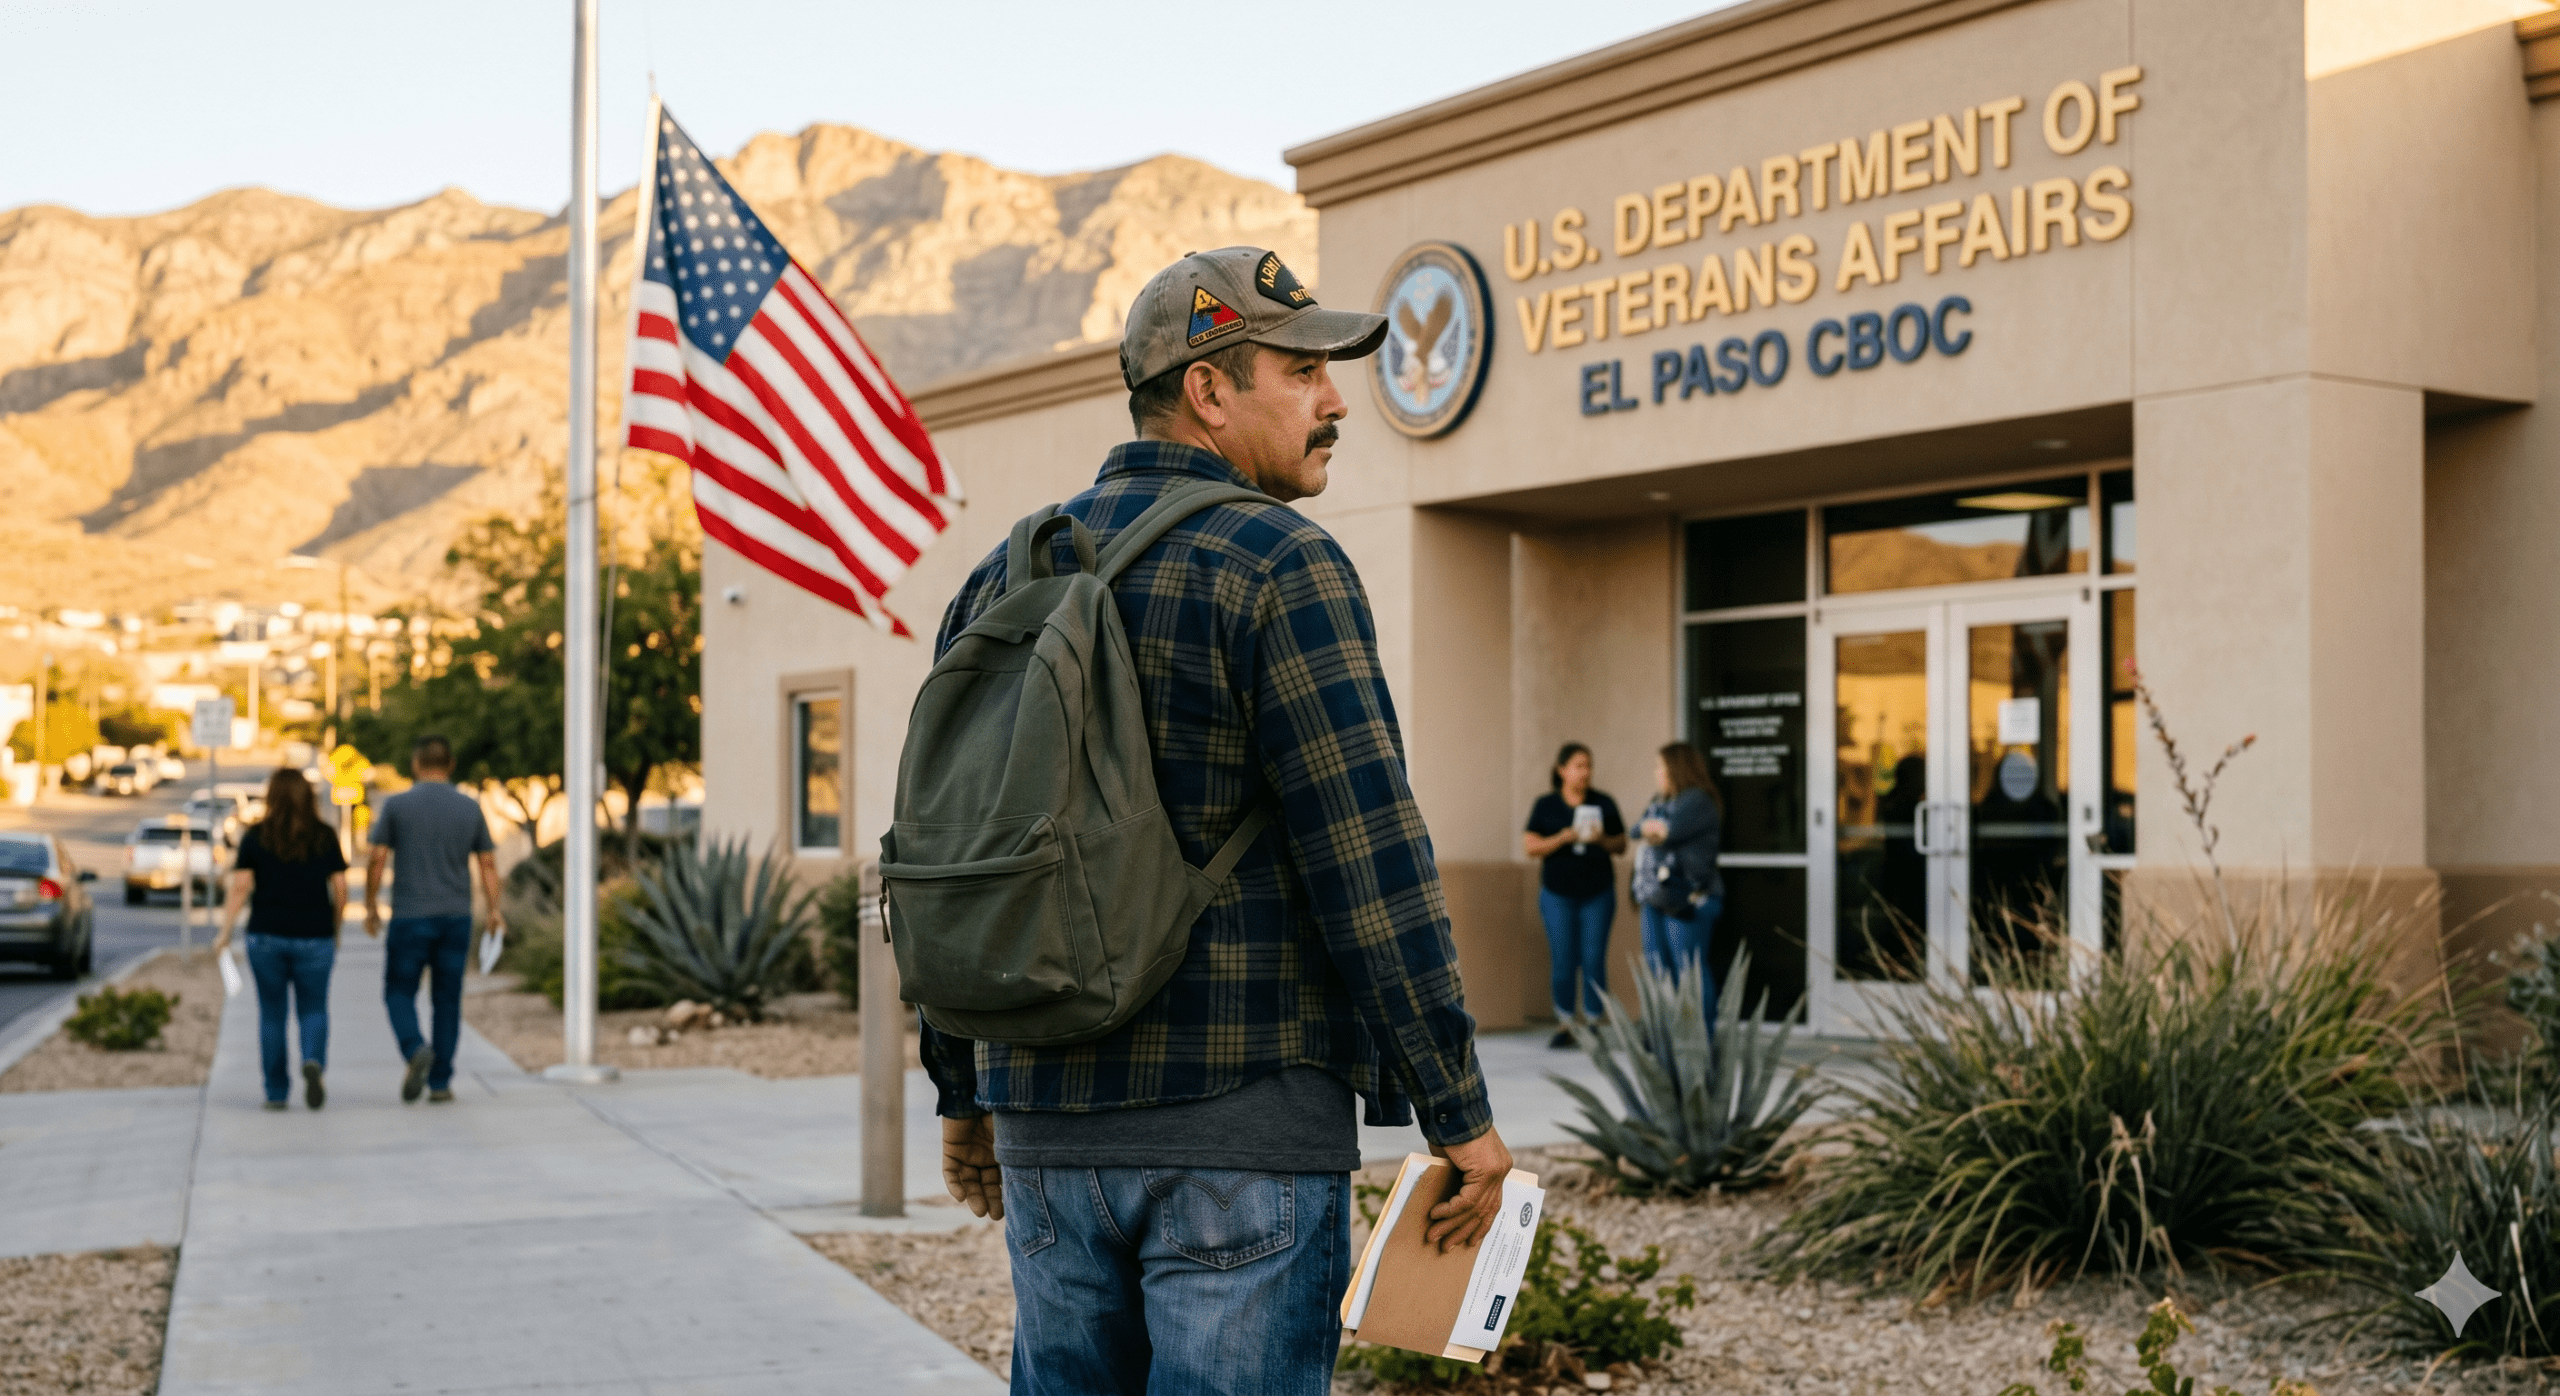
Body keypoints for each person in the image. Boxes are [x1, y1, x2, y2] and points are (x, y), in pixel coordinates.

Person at [924, 247, 1511, 1396]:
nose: (1337, 400)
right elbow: (1370, 858)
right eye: (1302, 371)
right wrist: (1460, 1115)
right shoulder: (1280, 562)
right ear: (1208, 390)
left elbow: (951, 857)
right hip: (1241, 1130)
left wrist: (965, 1092)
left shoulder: (1002, 577)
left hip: (1045, 1129)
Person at [363, 735, 503, 1104]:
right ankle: (440, 1083)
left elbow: (377, 858)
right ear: (451, 764)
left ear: (415, 763)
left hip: (410, 916)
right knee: (447, 1000)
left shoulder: (397, 805)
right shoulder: (469, 807)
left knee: (398, 991)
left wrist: (371, 905)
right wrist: (493, 910)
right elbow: (487, 863)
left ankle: (414, 1049)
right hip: (455, 917)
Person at [212, 768, 348, 1111]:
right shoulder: (325, 835)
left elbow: (240, 887)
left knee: (272, 1014)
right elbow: (341, 889)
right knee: (314, 1007)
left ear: (271, 797)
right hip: (315, 936)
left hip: (266, 936)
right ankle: (313, 1059)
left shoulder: (256, 836)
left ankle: (275, 1092)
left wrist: (225, 932)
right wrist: (336, 928)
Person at [1522, 742, 1625, 1047]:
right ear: (1562, 770)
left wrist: (1602, 839)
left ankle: (1593, 1023)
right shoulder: (1546, 805)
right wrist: (1562, 838)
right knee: (1563, 960)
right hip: (1557, 894)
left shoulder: (1603, 803)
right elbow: (1530, 846)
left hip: (1597, 893)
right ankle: (1565, 1024)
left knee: (1593, 959)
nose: (1585, 772)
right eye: (1579, 766)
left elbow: (1621, 845)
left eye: (1588, 766)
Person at [1633, 741, 1725, 1013]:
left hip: (1689, 897)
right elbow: (1636, 830)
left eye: (1660, 766)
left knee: (1689, 971)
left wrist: (1654, 830)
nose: (1656, 772)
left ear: (1675, 769)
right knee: (1658, 968)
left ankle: (1700, 1046)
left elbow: (1667, 833)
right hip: (1656, 894)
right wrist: (1651, 829)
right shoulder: (1659, 801)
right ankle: (1668, 1043)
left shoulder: (1697, 800)